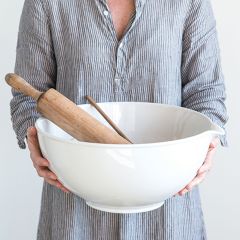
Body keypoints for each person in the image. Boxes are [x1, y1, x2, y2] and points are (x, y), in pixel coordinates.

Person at [9, 0, 228, 239]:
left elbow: (207, 93)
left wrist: (205, 145)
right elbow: (27, 96)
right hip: (74, 212)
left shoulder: (190, 3)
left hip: (169, 213)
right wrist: (33, 134)